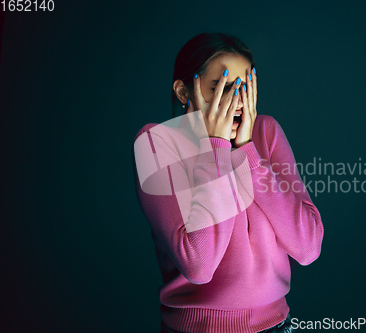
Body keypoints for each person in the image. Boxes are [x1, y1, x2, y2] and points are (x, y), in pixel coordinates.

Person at [132, 32, 324, 333]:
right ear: (184, 92)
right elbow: (199, 265)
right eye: (221, 87)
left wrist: (248, 151)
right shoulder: (156, 144)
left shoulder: (266, 133)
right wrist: (217, 148)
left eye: (244, 88)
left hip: (276, 325)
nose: (237, 102)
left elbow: (308, 247)